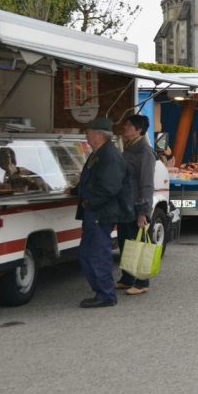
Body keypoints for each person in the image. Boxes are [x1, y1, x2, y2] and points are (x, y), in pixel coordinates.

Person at [75, 117, 133, 308]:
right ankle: (101, 291)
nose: (86, 136)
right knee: (86, 253)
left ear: (99, 135)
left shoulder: (109, 156)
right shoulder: (98, 153)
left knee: (97, 254)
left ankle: (106, 295)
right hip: (95, 211)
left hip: (100, 212)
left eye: (88, 133)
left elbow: (110, 187)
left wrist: (90, 202)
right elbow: (92, 180)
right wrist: (76, 191)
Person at [114, 114, 156, 296]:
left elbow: (146, 183)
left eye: (129, 125)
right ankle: (127, 277)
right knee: (125, 242)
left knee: (137, 243)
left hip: (136, 205)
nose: (125, 127)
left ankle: (142, 281)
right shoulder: (128, 147)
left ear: (139, 130)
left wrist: (143, 211)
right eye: (126, 124)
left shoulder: (144, 151)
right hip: (124, 204)